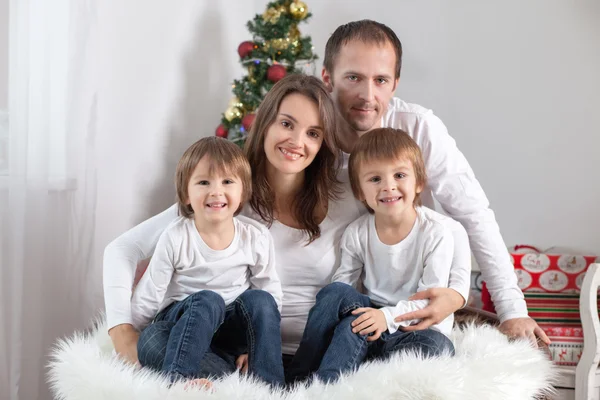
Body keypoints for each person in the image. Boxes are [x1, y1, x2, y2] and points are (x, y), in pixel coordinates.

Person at [102, 74, 364, 377]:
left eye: (313, 133)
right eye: (287, 124)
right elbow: (122, 248)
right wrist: (121, 330)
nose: (297, 142)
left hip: (301, 355)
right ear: (265, 122)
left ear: (322, 143)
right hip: (213, 342)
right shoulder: (225, 191)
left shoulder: (345, 192)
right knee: (157, 342)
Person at [321, 20, 549, 345]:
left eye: (381, 80)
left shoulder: (419, 128)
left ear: (395, 83)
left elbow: (473, 214)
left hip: (411, 299)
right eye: (353, 77)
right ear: (327, 77)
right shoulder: (308, 132)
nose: (367, 95)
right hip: (345, 302)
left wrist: (512, 311)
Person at [287, 128, 462, 383]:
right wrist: (364, 316)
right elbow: (344, 283)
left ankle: (369, 367)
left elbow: (430, 300)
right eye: (375, 179)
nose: (388, 186)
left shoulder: (436, 233)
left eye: (400, 175)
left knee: (438, 347)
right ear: (360, 192)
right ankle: (310, 380)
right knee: (338, 298)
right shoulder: (357, 232)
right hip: (370, 317)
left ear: (419, 183)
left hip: (413, 328)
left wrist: (387, 317)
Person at [131, 137, 284, 386]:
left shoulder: (255, 237)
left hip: (228, 333)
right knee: (204, 303)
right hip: (182, 324)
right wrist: (129, 335)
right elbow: (150, 293)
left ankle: (267, 388)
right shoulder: (177, 236)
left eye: (227, 182)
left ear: (242, 191)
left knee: (262, 300)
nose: (216, 191)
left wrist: (251, 348)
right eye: (203, 182)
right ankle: (180, 382)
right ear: (186, 195)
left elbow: (270, 294)